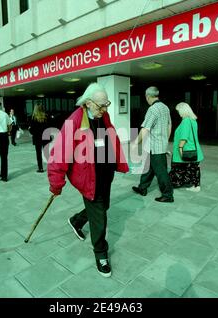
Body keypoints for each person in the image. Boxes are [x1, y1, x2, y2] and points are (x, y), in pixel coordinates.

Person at [48, 83, 129, 277]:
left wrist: (119, 161)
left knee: (103, 206)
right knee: (100, 217)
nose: (105, 109)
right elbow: (58, 154)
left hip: (105, 174)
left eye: (106, 105)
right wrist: (56, 183)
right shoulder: (74, 121)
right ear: (88, 103)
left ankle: (76, 221)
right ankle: (101, 253)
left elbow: (112, 139)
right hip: (88, 178)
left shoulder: (104, 116)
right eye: (101, 106)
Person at [132, 86, 173, 203]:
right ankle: (142, 188)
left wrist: (135, 143)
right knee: (148, 167)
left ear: (148, 96)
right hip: (157, 145)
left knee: (161, 172)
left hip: (155, 147)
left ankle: (168, 195)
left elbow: (145, 129)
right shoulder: (165, 107)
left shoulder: (152, 109)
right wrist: (165, 139)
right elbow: (169, 125)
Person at [169, 102, 204, 192]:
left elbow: (184, 137)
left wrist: (180, 148)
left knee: (179, 168)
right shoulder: (193, 120)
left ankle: (177, 183)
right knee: (194, 168)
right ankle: (196, 186)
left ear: (183, 110)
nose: (179, 113)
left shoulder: (185, 121)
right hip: (194, 149)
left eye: (179, 111)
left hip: (187, 150)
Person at [29, 103, 50, 172]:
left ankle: (40, 168)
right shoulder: (46, 117)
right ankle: (50, 167)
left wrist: (30, 130)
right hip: (45, 137)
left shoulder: (33, 118)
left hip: (37, 138)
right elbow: (49, 127)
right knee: (47, 153)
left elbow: (32, 130)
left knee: (38, 154)